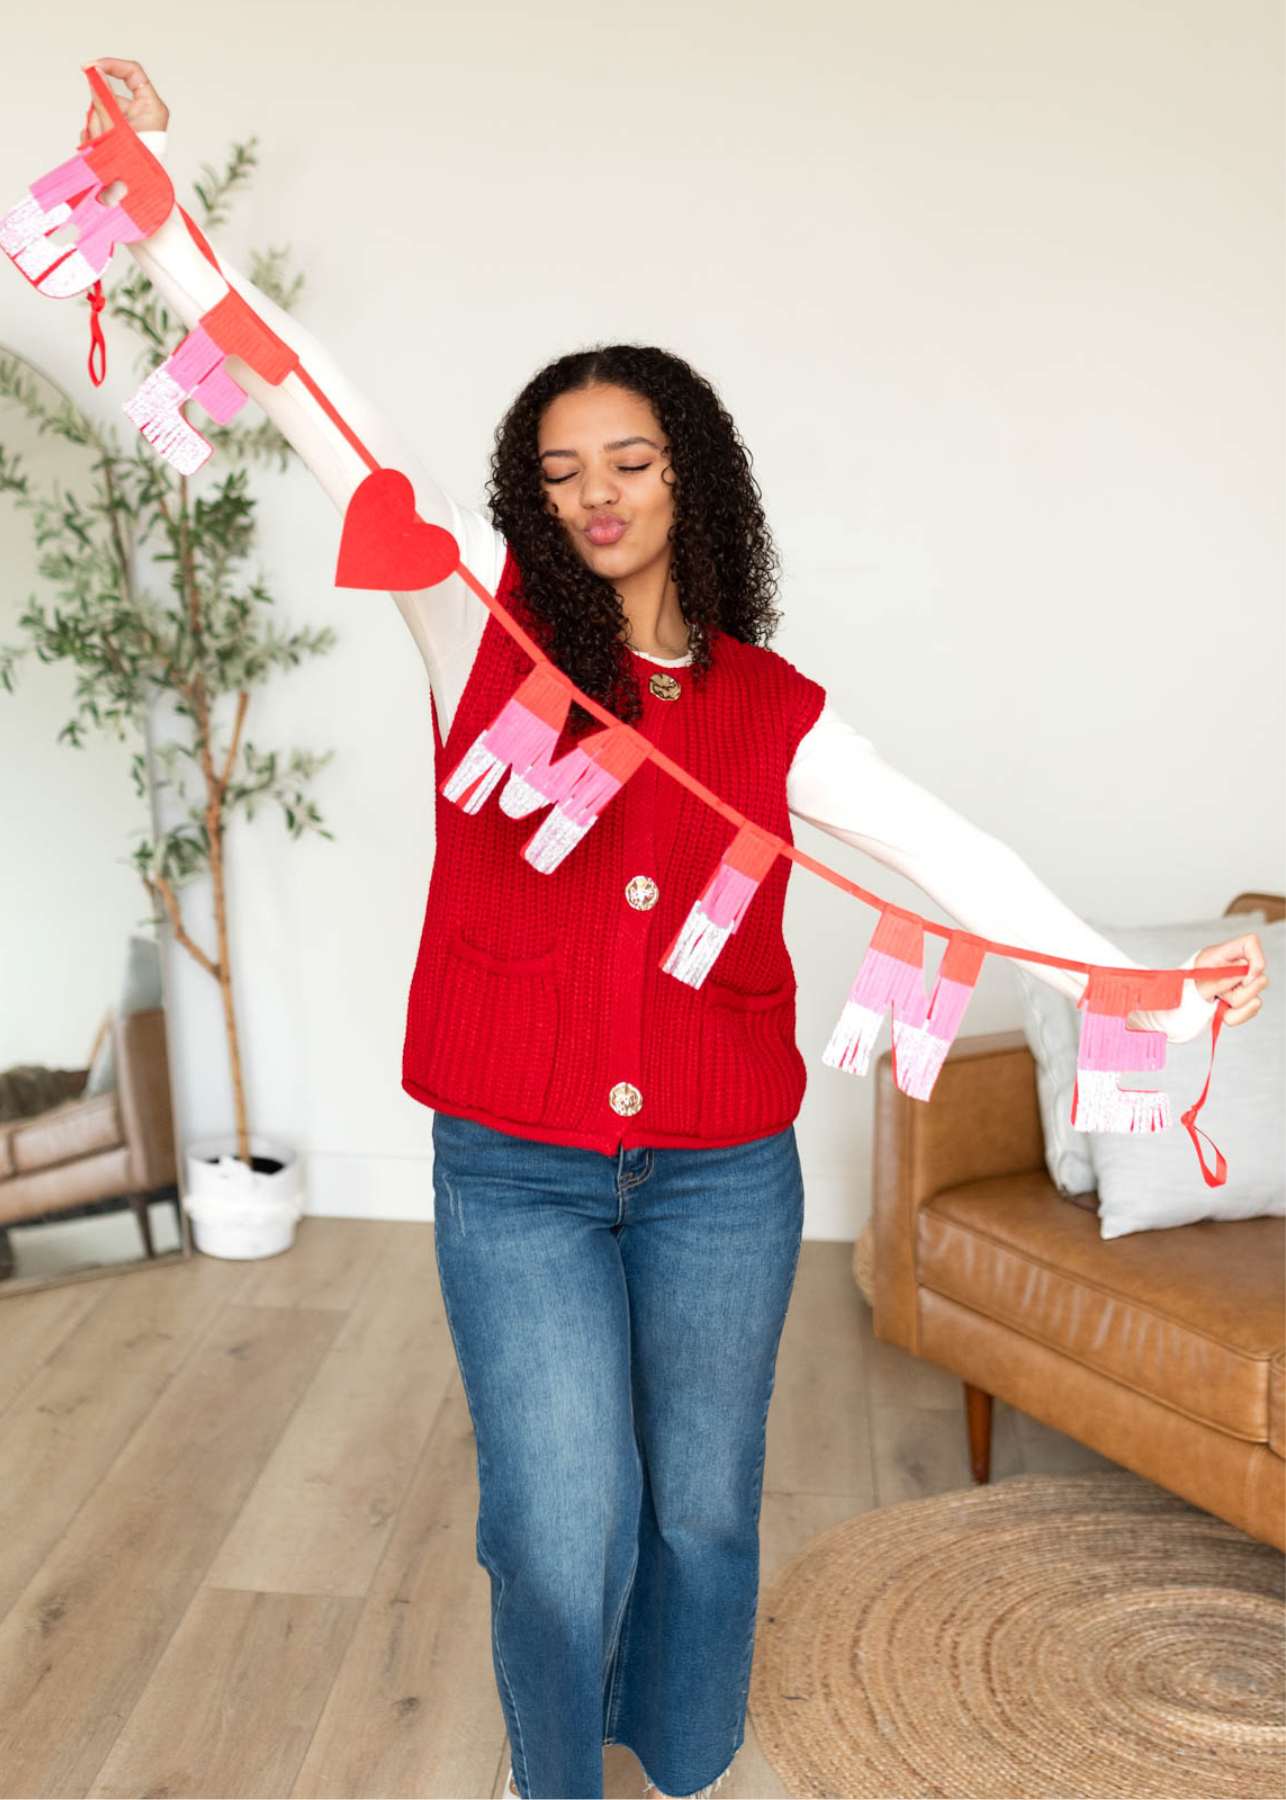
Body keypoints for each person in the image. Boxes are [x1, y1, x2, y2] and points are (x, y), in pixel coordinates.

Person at [79, 58, 1267, 1800]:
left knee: (704, 1511)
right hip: (515, 1165)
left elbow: (950, 853)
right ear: (529, 496)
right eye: (559, 468)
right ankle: (556, 1779)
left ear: (689, 480)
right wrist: (165, 206)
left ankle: (688, 1759)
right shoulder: (471, 637)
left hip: (721, 1167)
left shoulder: (776, 709)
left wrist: (1129, 977)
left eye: (630, 457)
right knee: (559, 1527)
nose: (597, 490)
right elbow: (327, 415)